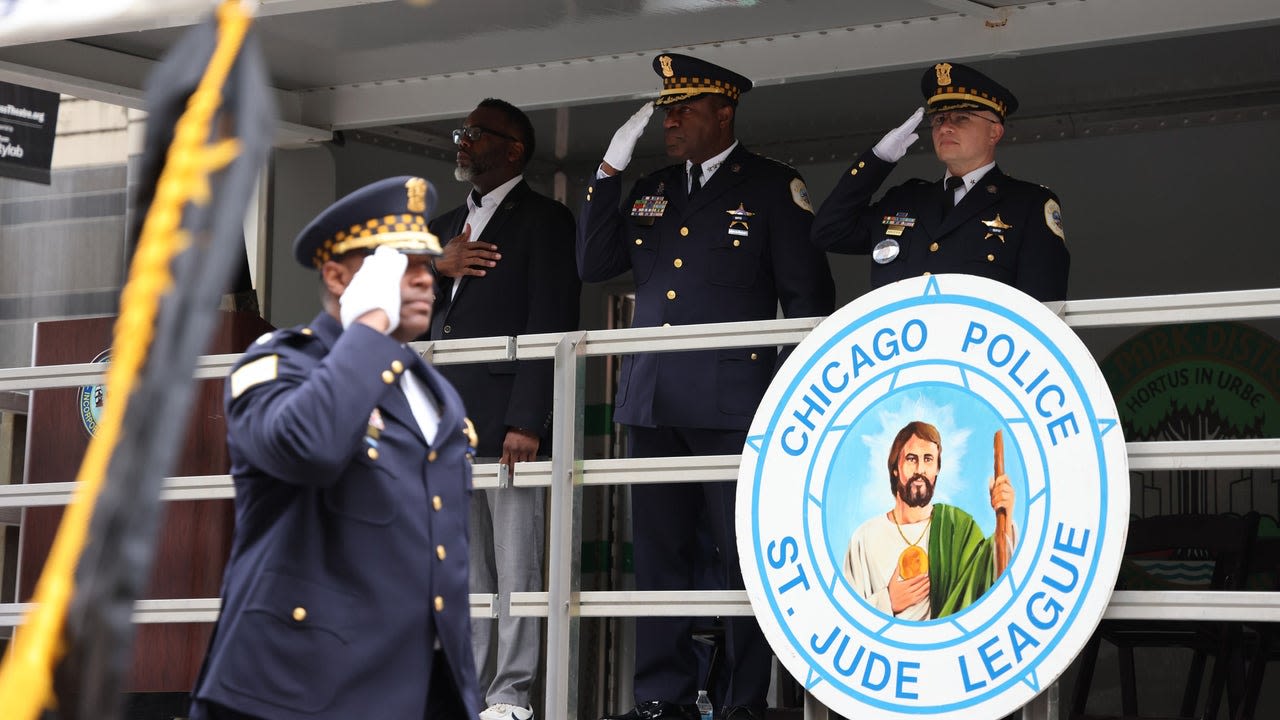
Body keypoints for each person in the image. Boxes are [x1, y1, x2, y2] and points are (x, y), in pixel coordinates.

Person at [578, 53, 835, 720]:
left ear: (725, 111)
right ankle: (662, 698)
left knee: (741, 556)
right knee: (659, 556)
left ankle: (744, 700)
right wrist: (609, 172)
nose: (671, 120)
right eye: (667, 109)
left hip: (735, 406)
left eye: (685, 109)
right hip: (653, 399)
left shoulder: (775, 189)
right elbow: (594, 262)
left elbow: (810, 302)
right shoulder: (652, 187)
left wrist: (786, 402)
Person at [188, 176, 480, 720]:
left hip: (410, 691)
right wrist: (368, 325)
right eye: (399, 265)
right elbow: (308, 447)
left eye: (427, 263)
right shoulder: (278, 364)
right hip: (292, 689)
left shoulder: (432, 391)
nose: (424, 280)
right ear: (338, 275)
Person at [428, 98, 580, 720]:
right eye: (460, 131)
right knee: (463, 569)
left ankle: (509, 694)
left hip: (506, 418)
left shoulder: (544, 220)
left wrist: (528, 420)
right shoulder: (437, 227)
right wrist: (437, 266)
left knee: (516, 565)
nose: (463, 142)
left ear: (514, 149)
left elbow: (551, 320)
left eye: (477, 134)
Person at [811, 61, 1070, 301]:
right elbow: (829, 232)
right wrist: (878, 160)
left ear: (994, 131)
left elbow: (1043, 305)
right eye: (939, 119)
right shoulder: (906, 199)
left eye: (962, 118)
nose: (946, 127)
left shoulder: (1027, 205)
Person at [842, 421, 1016, 621]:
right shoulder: (864, 538)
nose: (920, 469)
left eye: (928, 459)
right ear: (895, 468)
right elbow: (846, 616)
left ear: (937, 469)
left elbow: (992, 580)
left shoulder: (957, 528)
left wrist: (1006, 515)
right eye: (911, 459)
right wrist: (887, 601)